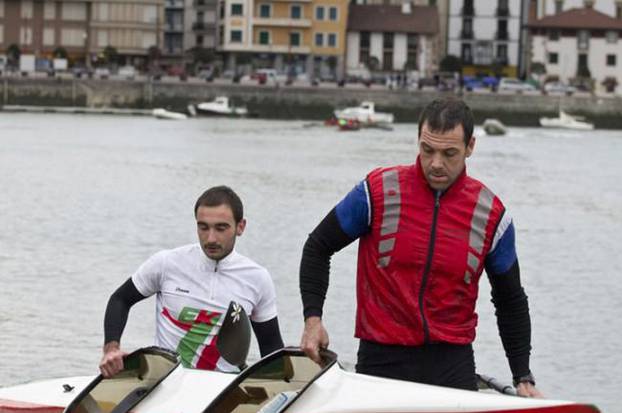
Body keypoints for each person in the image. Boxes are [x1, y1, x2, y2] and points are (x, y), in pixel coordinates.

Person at [299, 97, 542, 397]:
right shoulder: (376, 192)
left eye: (449, 153)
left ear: (470, 147)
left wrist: (523, 376)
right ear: (417, 141)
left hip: (452, 364)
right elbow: (318, 247)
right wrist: (313, 321)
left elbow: (510, 300)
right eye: (427, 150)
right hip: (381, 361)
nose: (436, 163)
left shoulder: (491, 214)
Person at [99, 185, 284, 377]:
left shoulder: (257, 278)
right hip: (167, 383)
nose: (211, 238)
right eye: (203, 227)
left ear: (240, 227)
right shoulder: (166, 263)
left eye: (221, 228)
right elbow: (120, 300)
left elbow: (270, 346)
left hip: (222, 392)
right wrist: (111, 348)